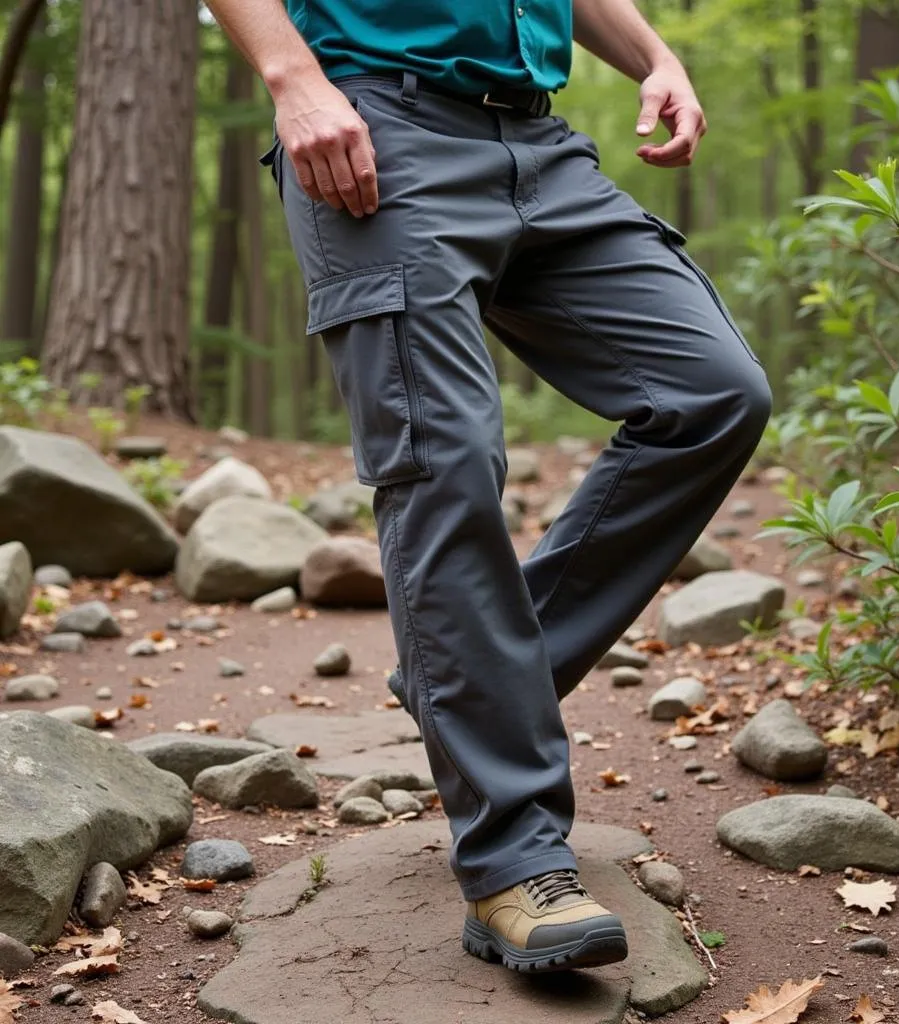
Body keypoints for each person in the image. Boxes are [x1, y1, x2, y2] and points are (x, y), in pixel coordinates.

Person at [206, 0, 771, 975]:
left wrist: (655, 55)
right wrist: (293, 80)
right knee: (445, 465)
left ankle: (470, 680)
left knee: (712, 393)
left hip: (538, 143)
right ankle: (514, 860)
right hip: (374, 126)